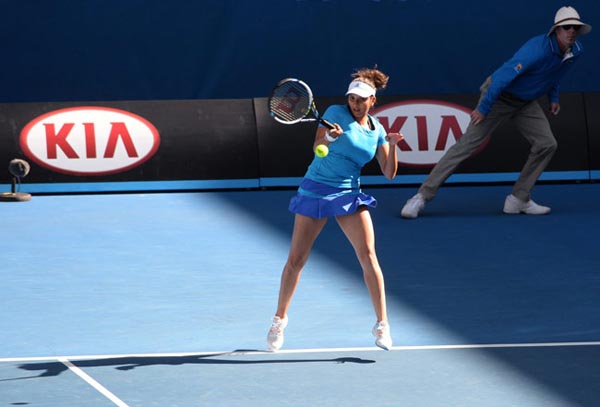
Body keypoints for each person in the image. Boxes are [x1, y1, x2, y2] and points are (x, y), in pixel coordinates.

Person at [401, 6, 592, 219]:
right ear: (556, 30)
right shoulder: (537, 50)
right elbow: (501, 79)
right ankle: (421, 197)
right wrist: (483, 108)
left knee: (547, 144)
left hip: (525, 102)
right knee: (465, 146)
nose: (571, 31)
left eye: (575, 27)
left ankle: (518, 199)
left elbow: (555, 74)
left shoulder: (575, 51)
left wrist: (553, 97)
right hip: (498, 97)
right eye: (566, 27)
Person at [266, 68, 404, 351]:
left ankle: (382, 324)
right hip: (316, 189)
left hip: (348, 194)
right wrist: (329, 138)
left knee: (368, 256)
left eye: (361, 99)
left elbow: (389, 173)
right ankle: (279, 320)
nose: (355, 104)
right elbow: (316, 146)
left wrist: (392, 146)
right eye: (352, 98)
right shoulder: (334, 113)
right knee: (297, 259)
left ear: (373, 100)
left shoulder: (377, 130)